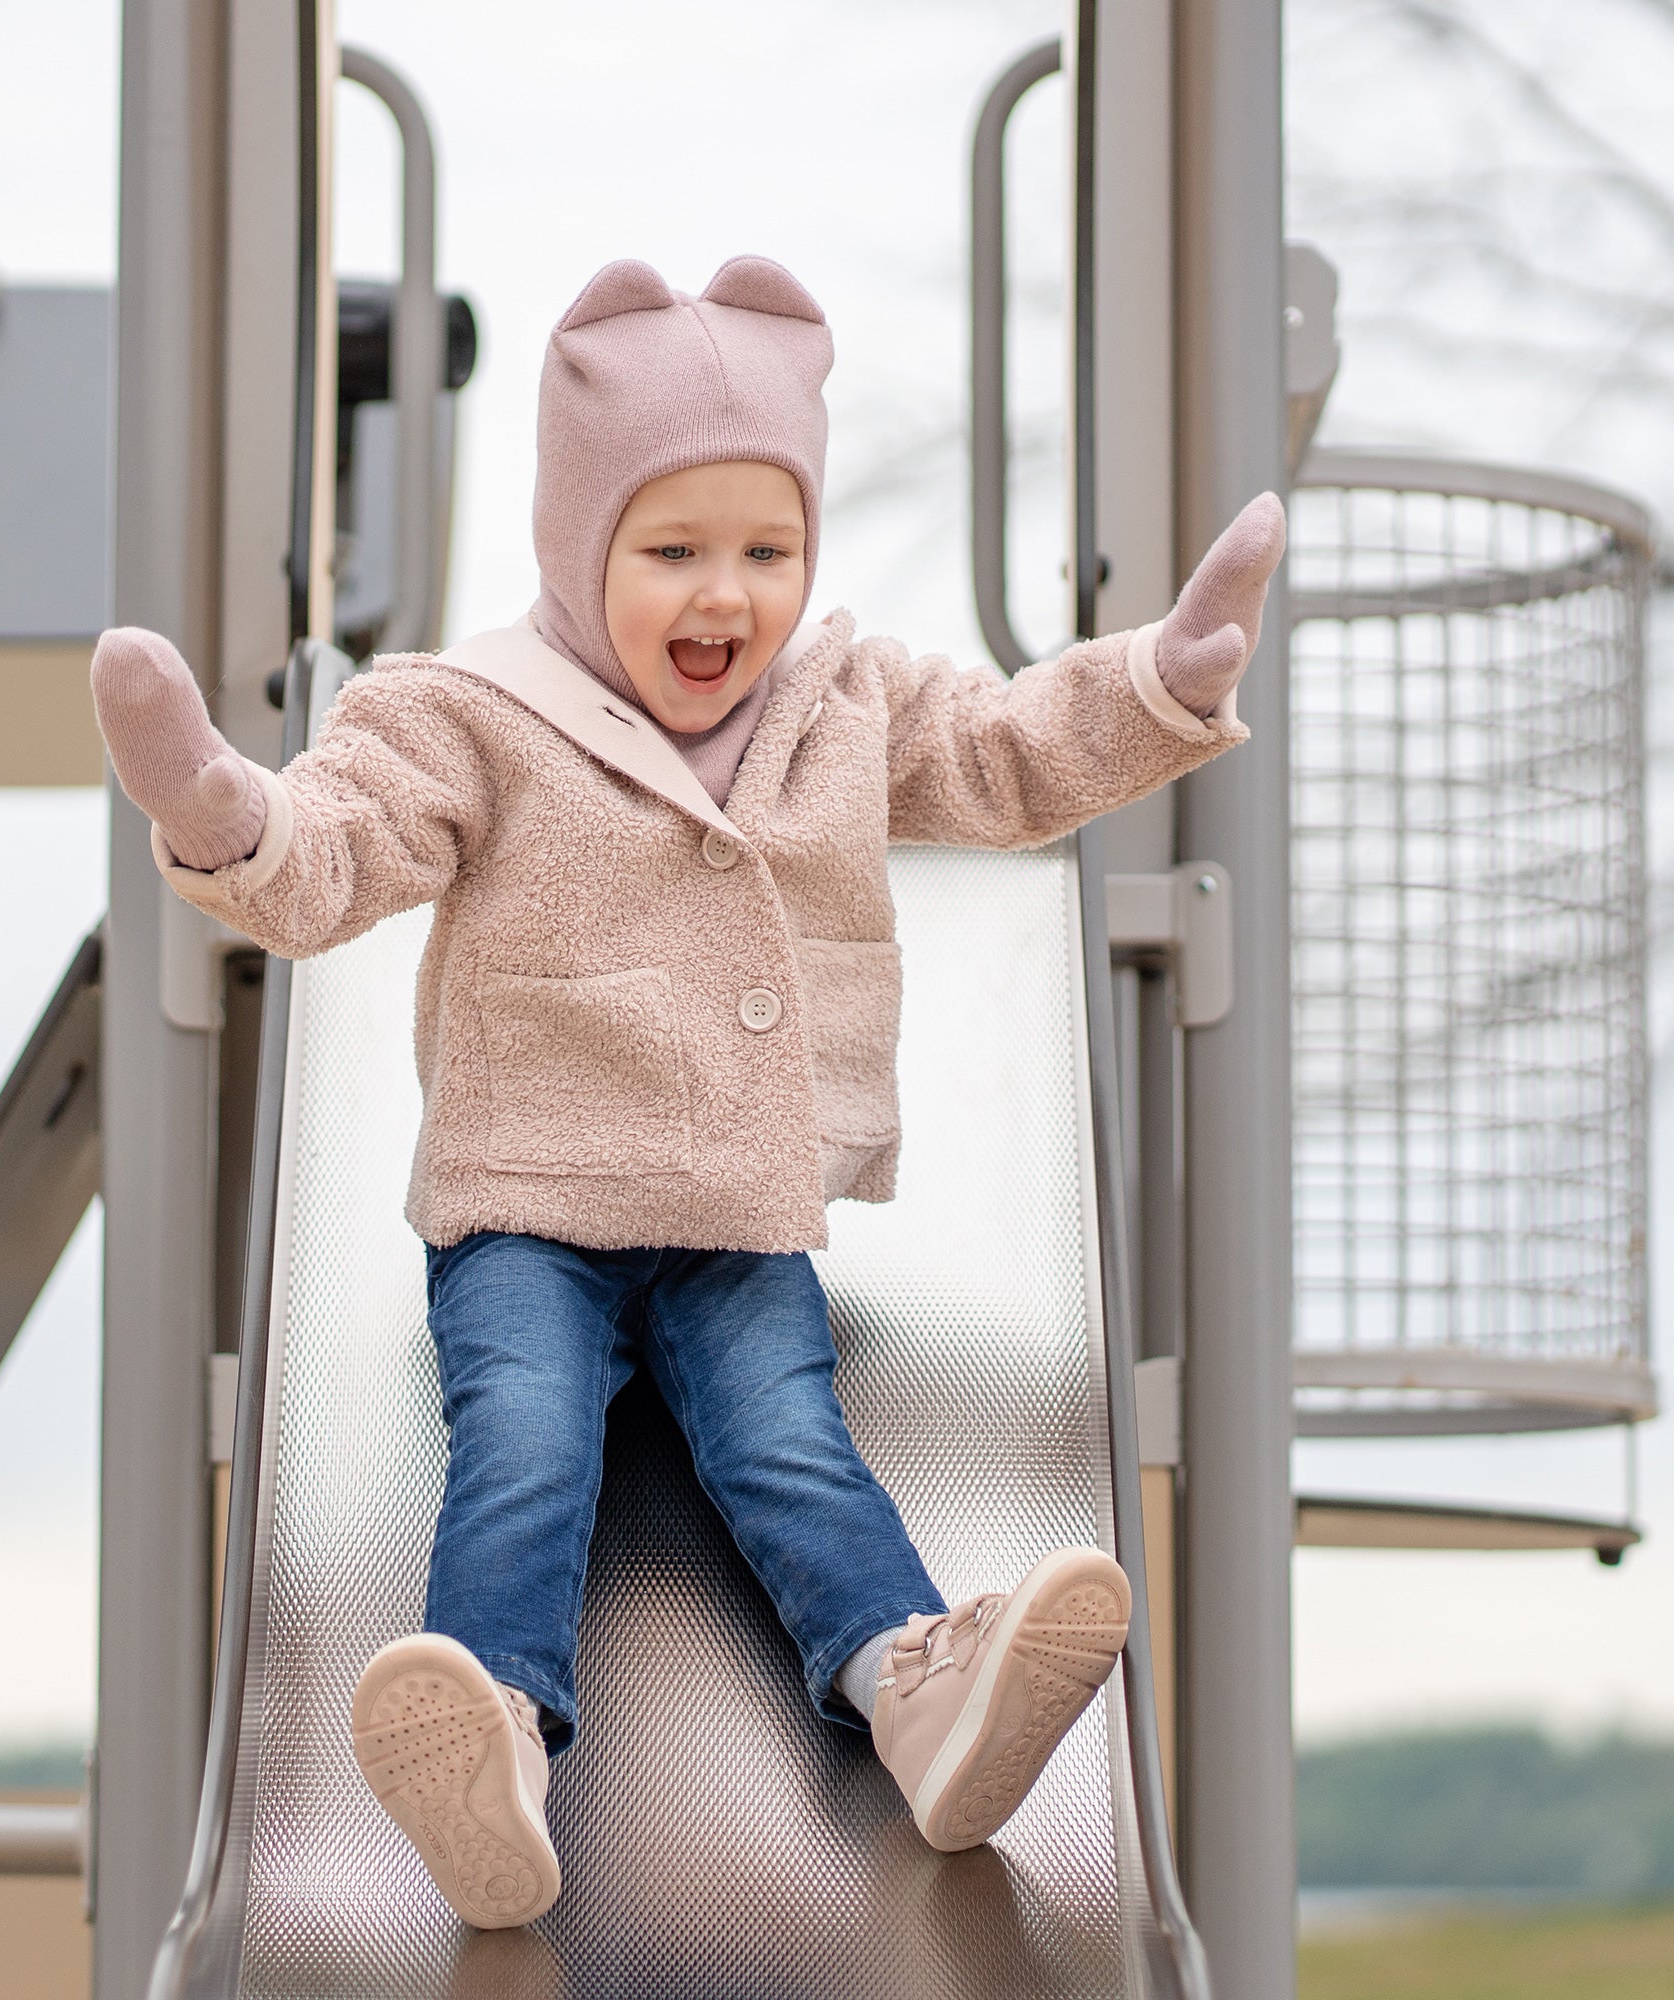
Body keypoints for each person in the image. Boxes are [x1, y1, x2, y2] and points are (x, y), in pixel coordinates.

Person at [92, 255, 1283, 1931]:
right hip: (528, 1208)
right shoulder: (475, 712)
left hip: (735, 1212)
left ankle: (913, 1686)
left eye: (765, 550)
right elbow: (334, 856)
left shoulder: (842, 707)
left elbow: (1014, 759)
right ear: (580, 549)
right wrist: (221, 809)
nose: (725, 596)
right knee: (519, 1440)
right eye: (671, 552)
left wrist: (1161, 680)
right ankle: (491, 1735)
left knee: (793, 1438)